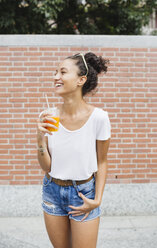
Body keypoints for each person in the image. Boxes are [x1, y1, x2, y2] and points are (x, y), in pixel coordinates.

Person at [37, 52, 111, 248]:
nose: (56, 77)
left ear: (81, 79)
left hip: (84, 193)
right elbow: (47, 166)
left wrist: (97, 200)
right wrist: (39, 138)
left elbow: (102, 162)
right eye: (55, 72)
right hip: (52, 191)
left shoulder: (99, 118)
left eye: (62, 72)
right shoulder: (49, 116)